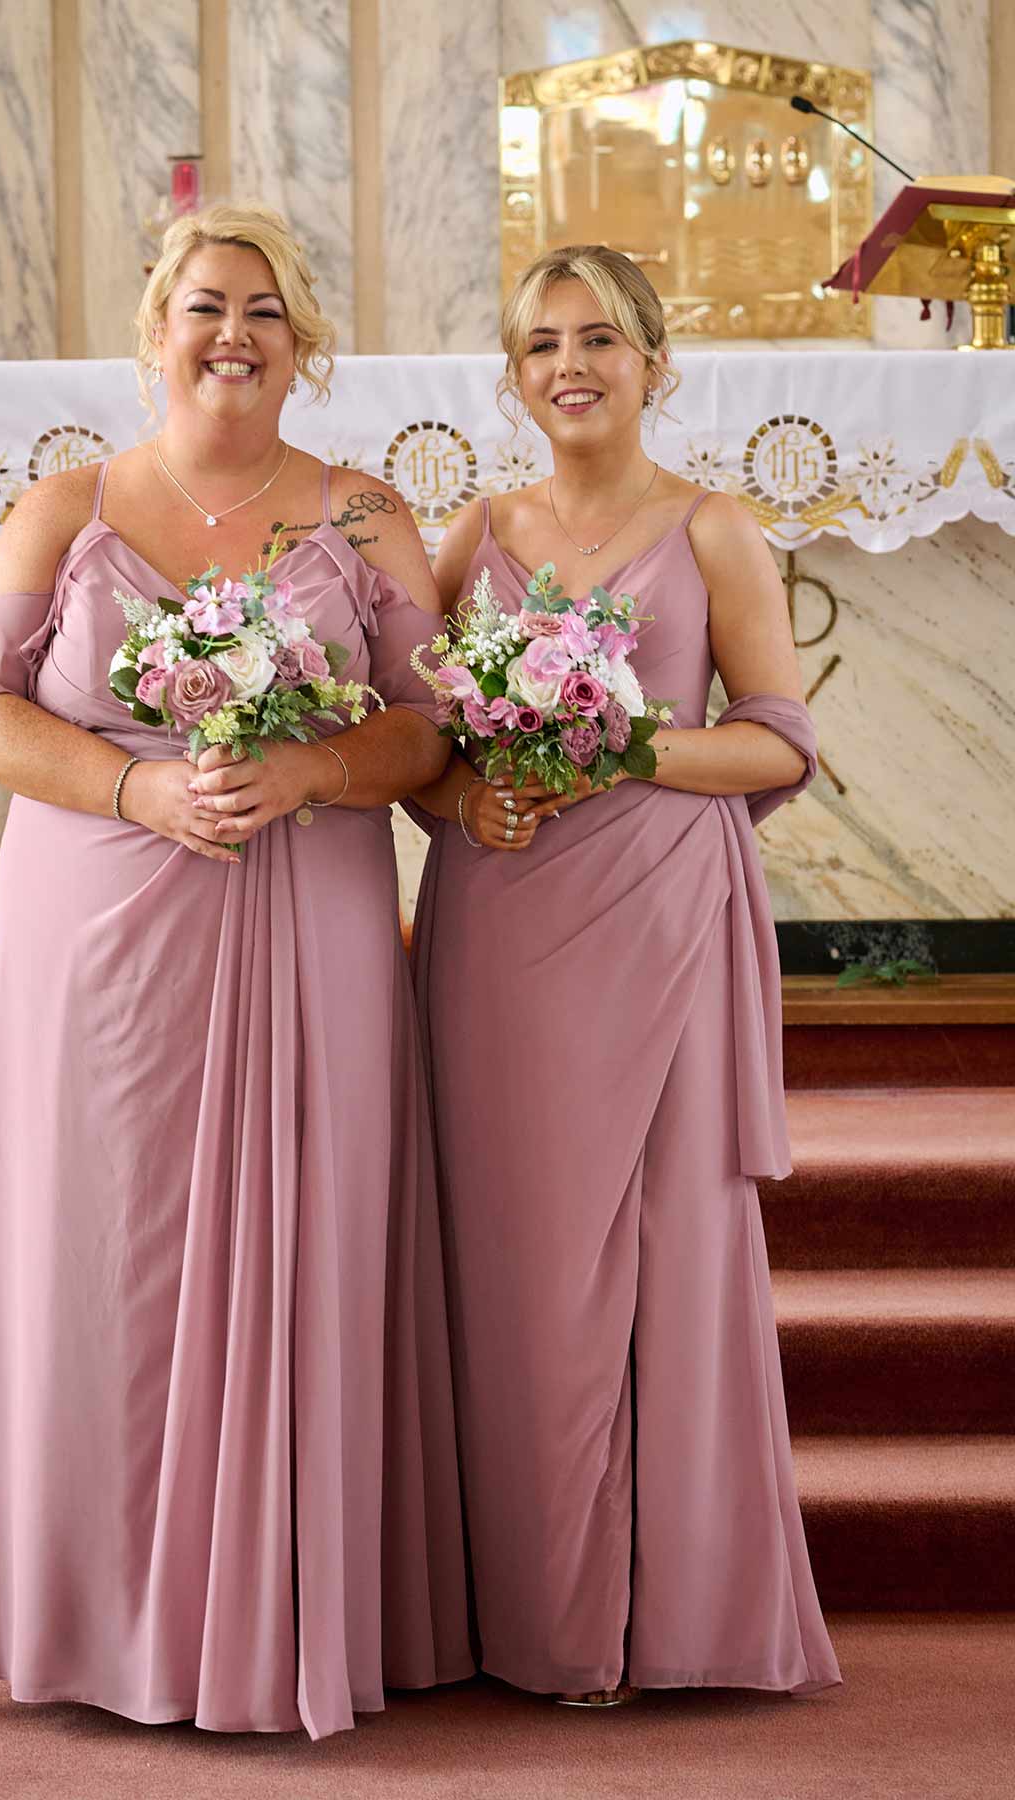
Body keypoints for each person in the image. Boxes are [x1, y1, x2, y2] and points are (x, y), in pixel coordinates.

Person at [0, 203, 471, 1740]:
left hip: (310, 908)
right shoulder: (64, 504)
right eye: (207, 305)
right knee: (111, 1250)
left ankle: (291, 1612)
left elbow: (430, 727)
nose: (235, 334)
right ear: (156, 327)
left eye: (268, 311)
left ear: (306, 345)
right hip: (103, 922)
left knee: (313, 1224)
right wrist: (136, 787)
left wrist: (313, 769)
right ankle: (98, 1616)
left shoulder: (364, 517)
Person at [409, 244, 841, 1704]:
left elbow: (778, 737)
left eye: (599, 339)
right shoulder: (472, 534)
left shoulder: (713, 530)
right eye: (542, 345)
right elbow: (426, 752)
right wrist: (464, 799)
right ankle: (527, 1612)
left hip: (657, 921)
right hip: (502, 927)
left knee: (661, 1255)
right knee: (513, 1258)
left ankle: (671, 1619)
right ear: (513, 375)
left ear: (655, 361)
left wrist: (623, 740)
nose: (570, 366)